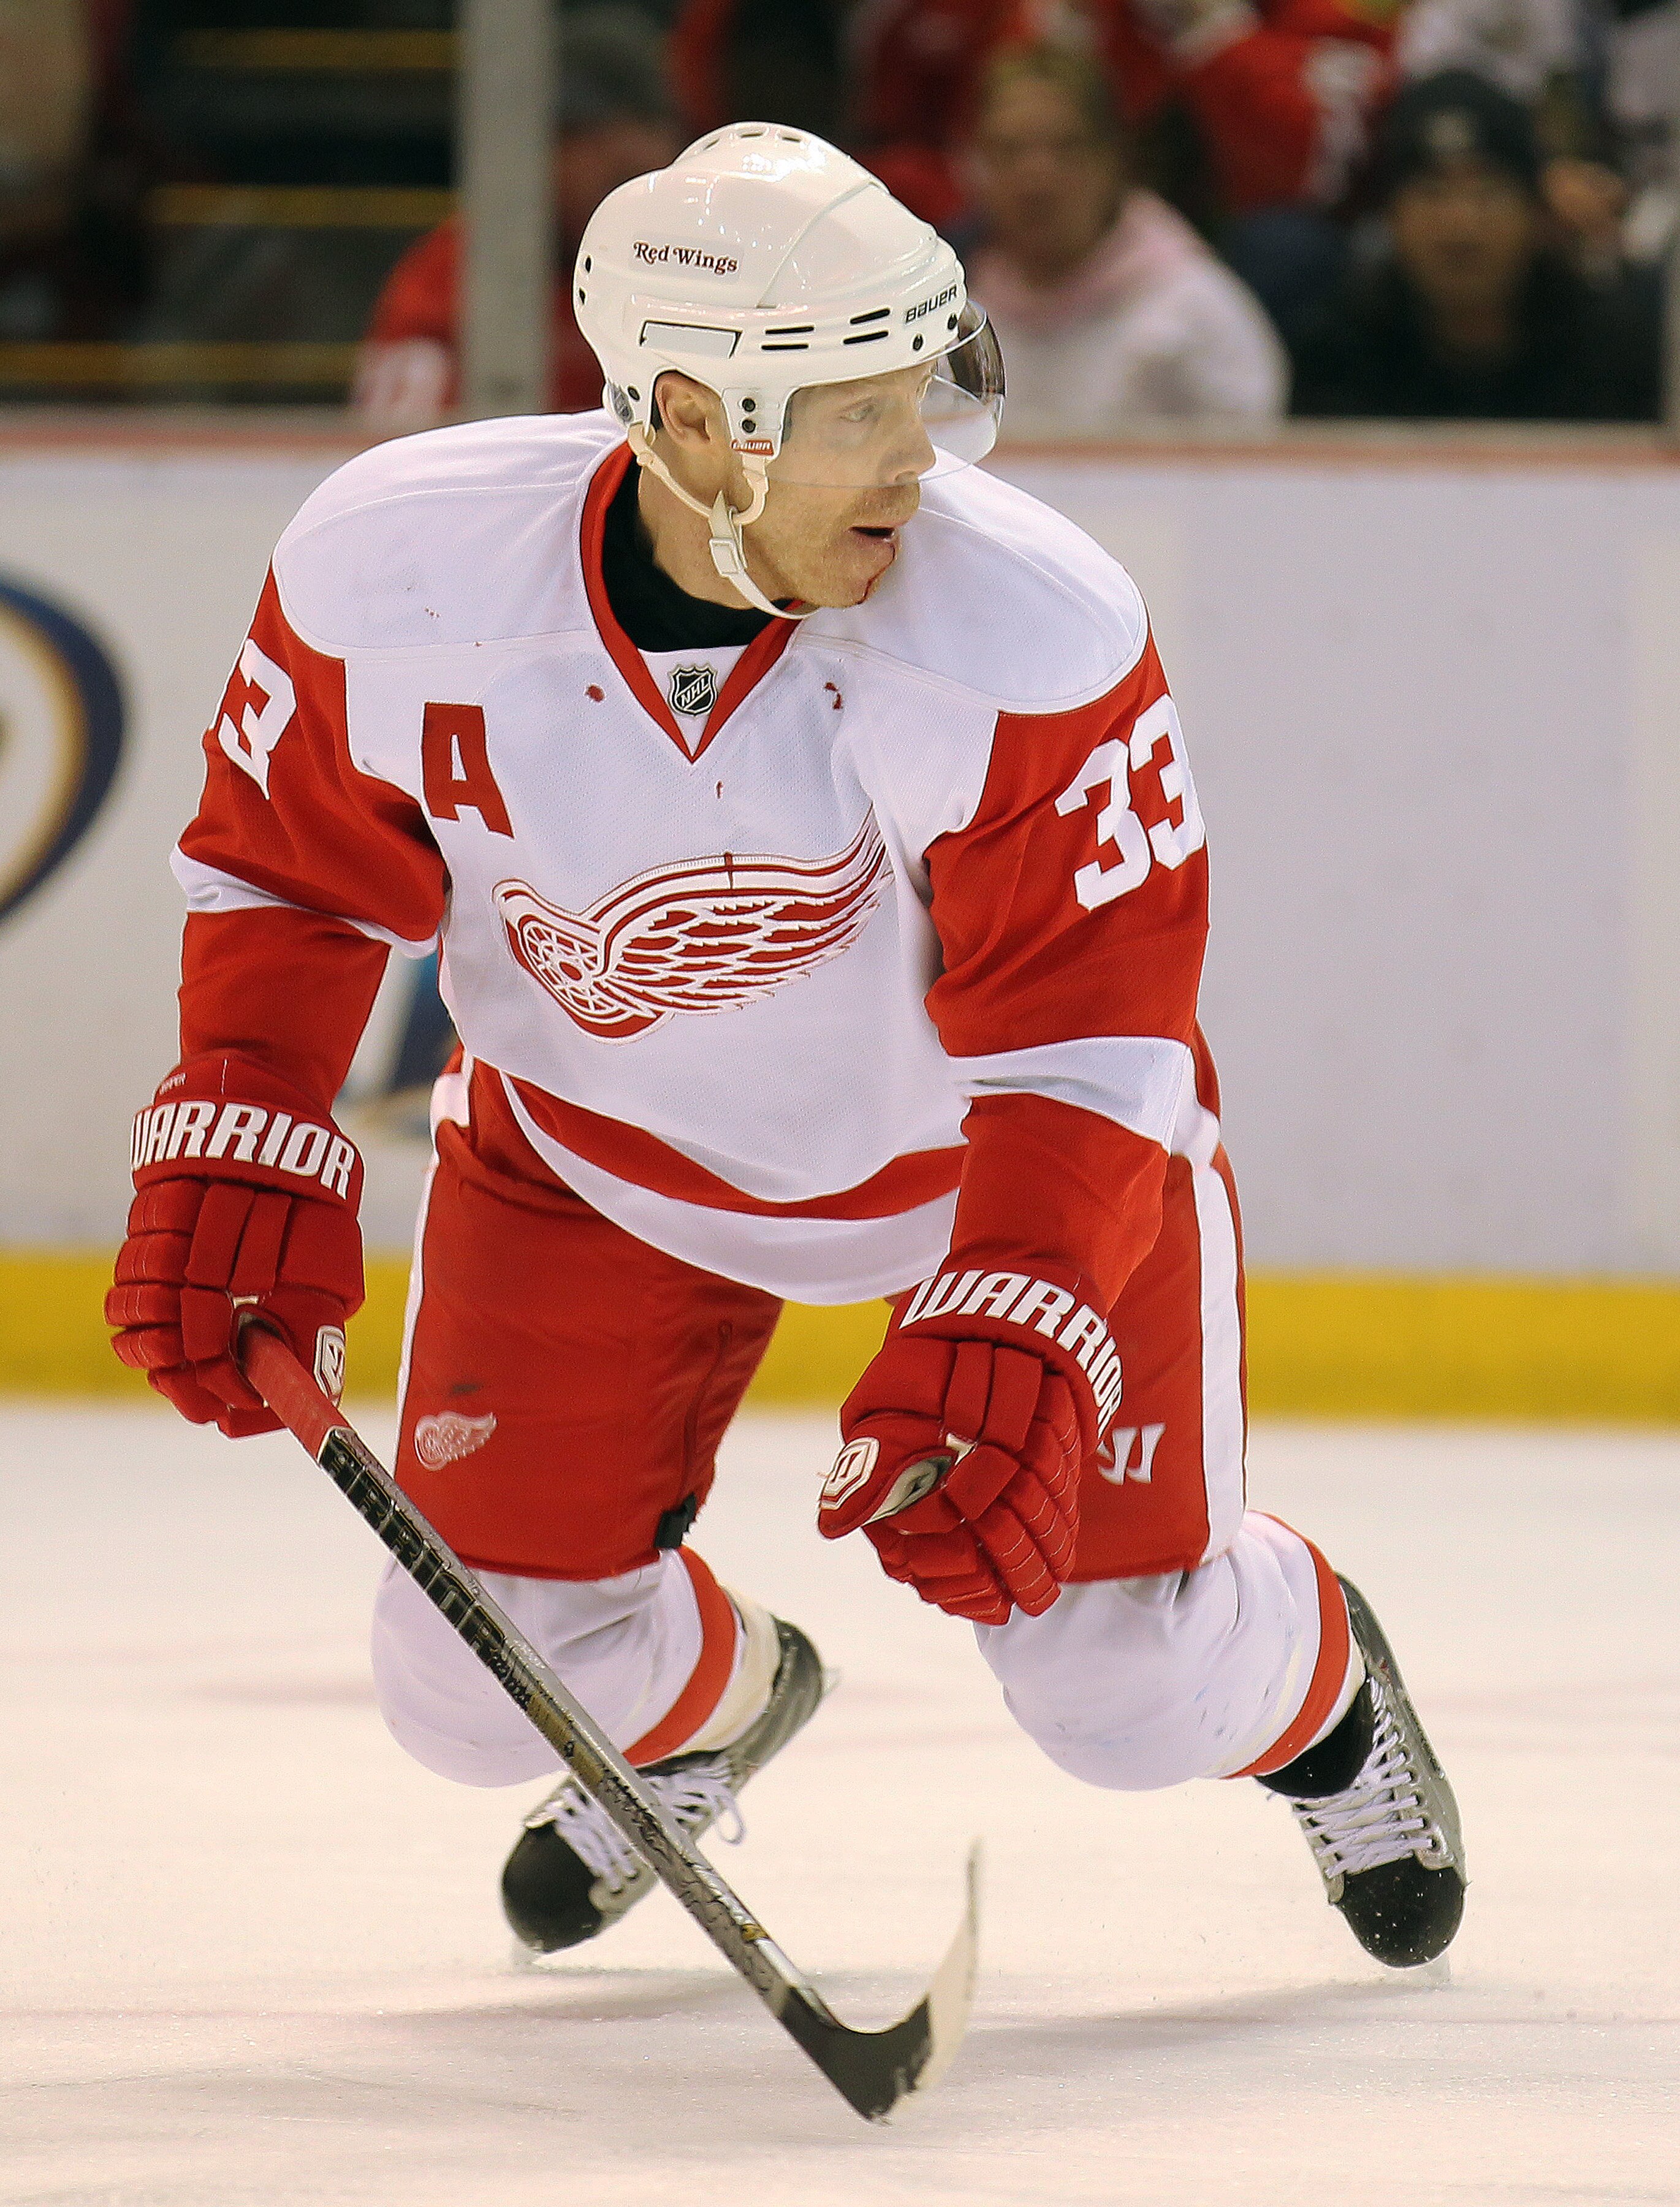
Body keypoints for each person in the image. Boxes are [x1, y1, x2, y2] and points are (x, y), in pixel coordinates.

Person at [107, 124, 1464, 1973]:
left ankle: (1315, 1690)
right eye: (853, 412)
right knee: (467, 1691)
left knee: (1118, 1690)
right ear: (681, 415)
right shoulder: (396, 562)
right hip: (592, 1163)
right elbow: (290, 866)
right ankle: (718, 1702)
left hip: (981, 1176)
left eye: (923, 390)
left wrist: (1027, 1292)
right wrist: (245, 1105)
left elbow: (1091, 1025)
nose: (916, 457)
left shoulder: (1023, 628)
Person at [352, 7, 682, 426]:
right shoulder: (453, 273)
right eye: (566, 139)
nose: (574, 165)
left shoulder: (708, 271)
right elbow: (391, 448)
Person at [1291, 68, 1660, 419]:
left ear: (1537, 213)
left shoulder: (1615, 351)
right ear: (1390, 216)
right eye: (1431, 193)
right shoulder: (1334, 353)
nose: (1460, 224)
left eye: (1487, 194)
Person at [965, 43, 1287, 427]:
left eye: (1065, 148)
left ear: (1113, 160)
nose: (1035, 180)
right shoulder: (953, 320)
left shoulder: (1195, 310)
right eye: (1008, 151)